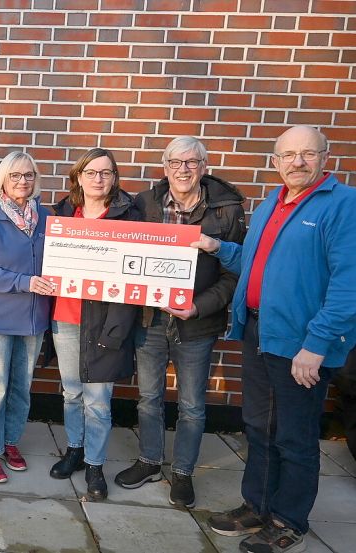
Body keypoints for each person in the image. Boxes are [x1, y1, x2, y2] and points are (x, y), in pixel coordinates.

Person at [197, 126, 356, 553]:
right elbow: (250, 261)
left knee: (294, 435)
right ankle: (258, 505)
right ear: (275, 161)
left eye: (307, 153)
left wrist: (317, 344)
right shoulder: (273, 202)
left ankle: (289, 521)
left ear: (326, 157)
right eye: (287, 155)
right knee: (258, 426)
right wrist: (215, 246)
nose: (297, 162)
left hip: (301, 344)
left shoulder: (344, 205)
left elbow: (349, 284)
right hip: (258, 332)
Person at [114, 137, 246, 507]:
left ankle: (183, 473)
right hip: (151, 319)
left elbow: (235, 274)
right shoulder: (145, 203)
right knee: (148, 398)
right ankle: (150, 461)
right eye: (176, 163)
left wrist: (198, 307)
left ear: (204, 167)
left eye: (192, 162)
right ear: (166, 167)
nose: (183, 170)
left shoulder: (227, 210)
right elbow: (126, 251)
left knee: (191, 404)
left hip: (196, 323)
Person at [42, 147, 141, 501]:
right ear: (78, 177)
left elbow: (133, 280)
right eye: (91, 172)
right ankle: (75, 450)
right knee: (72, 393)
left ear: (115, 178)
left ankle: (96, 464)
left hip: (103, 322)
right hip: (65, 317)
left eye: (106, 172)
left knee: (98, 400)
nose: (98, 179)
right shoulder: (62, 213)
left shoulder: (128, 218)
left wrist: (117, 327)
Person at [0, 152, 53, 483]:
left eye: (29, 175)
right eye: (15, 176)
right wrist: (24, 282)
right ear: (3, 179)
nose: (22, 181)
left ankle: (8, 441)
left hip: (33, 319)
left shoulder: (45, 218)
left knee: (20, 387)